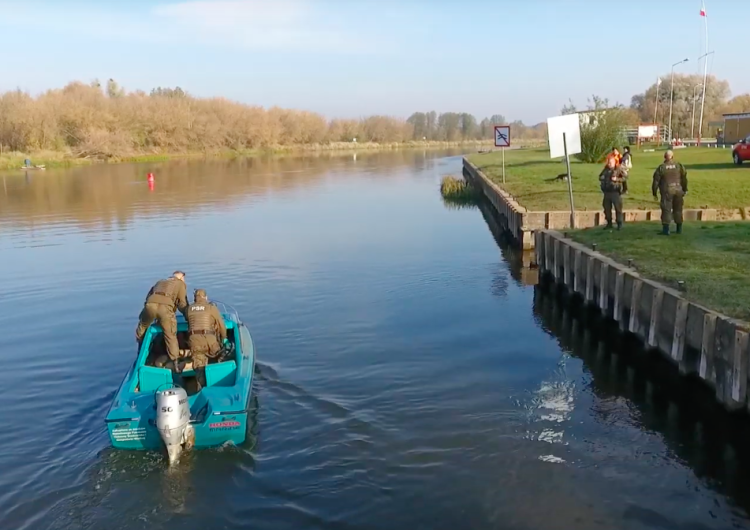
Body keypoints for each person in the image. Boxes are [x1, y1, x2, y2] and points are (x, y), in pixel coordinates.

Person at [135, 271, 188, 365]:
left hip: (150, 305)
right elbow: (182, 304)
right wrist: (188, 316)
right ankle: (175, 363)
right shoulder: (180, 284)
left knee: (142, 326)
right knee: (170, 334)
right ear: (181, 278)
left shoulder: (160, 282)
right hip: (165, 308)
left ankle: (140, 353)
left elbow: (148, 298)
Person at [185, 289, 227, 389]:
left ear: (195, 298)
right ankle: (218, 382)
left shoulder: (189, 309)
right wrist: (224, 338)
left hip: (195, 342)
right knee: (220, 356)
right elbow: (221, 326)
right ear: (206, 297)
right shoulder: (211, 308)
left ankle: (201, 389)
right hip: (210, 341)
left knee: (199, 368)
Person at [652, 150, 688, 235]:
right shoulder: (679, 166)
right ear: (673, 156)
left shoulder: (662, 167)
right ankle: (679, 229)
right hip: (678, 190)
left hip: (667, 191)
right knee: (678, 209)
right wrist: (685, 189)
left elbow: (656, 181)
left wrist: (654, 192)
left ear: (665, 157)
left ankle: (666, 230)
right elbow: (684, 179)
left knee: (666, 210)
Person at [599, 156, 628, 230]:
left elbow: (625, 178)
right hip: (606, 192)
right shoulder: (606, 169)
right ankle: (609, 223)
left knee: (618, 209)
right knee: (606, 208)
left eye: (610, 162)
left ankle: (619, 224)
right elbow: (600, 176)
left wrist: (617, 179)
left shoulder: (619, 169)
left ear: (614, 162)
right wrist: (602, 178)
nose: (609, 164)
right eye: (608, 162)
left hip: (615, 192)